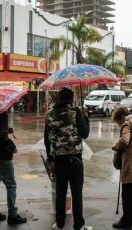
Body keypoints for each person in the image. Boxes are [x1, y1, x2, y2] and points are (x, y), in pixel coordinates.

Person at [44, 88, 91, 230]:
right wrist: (86, 118)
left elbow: (47, 139)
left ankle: (59, 224)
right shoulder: (76, 112)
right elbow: (84, 134)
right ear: (71, 99)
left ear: (59, 98)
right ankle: (79, 225)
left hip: (58, 160)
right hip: (75, 160)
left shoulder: (50, 114)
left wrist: (50, 158)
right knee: (77, 194)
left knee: (60, 193)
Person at [0, 111, 27, 225]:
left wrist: (6, 131)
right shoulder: (2, 115)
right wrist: (12, 146)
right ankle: (12, 215)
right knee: (11, 185)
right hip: (3, 155)